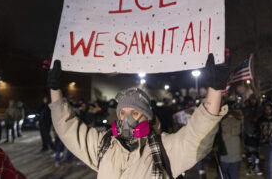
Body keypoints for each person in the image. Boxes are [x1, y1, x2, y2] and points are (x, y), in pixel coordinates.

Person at [47, 53, 229, 178]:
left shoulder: (164, 148)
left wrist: (214, 88)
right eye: (123, 113)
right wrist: (55, 90)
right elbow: (68, 129)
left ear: (147, 117)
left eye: (134, 113)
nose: (127, 119)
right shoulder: (104, 145)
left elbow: (196, 137)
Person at [217, 109, 243, 179]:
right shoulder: (238, 122)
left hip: (225, 151)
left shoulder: (223, 122)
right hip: (236, 151)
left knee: (222, 171)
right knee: (233, 171)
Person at [242, 95, 263, 176]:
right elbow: (247, 118)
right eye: (252, 100)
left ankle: (256, 166)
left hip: (256, 133)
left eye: (254, 100)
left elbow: (259, 118)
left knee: (256, 151)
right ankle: (250, 167)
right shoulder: (247, 109)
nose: (253, 101)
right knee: (249, 152)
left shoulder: (259, 109)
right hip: (248, 132)